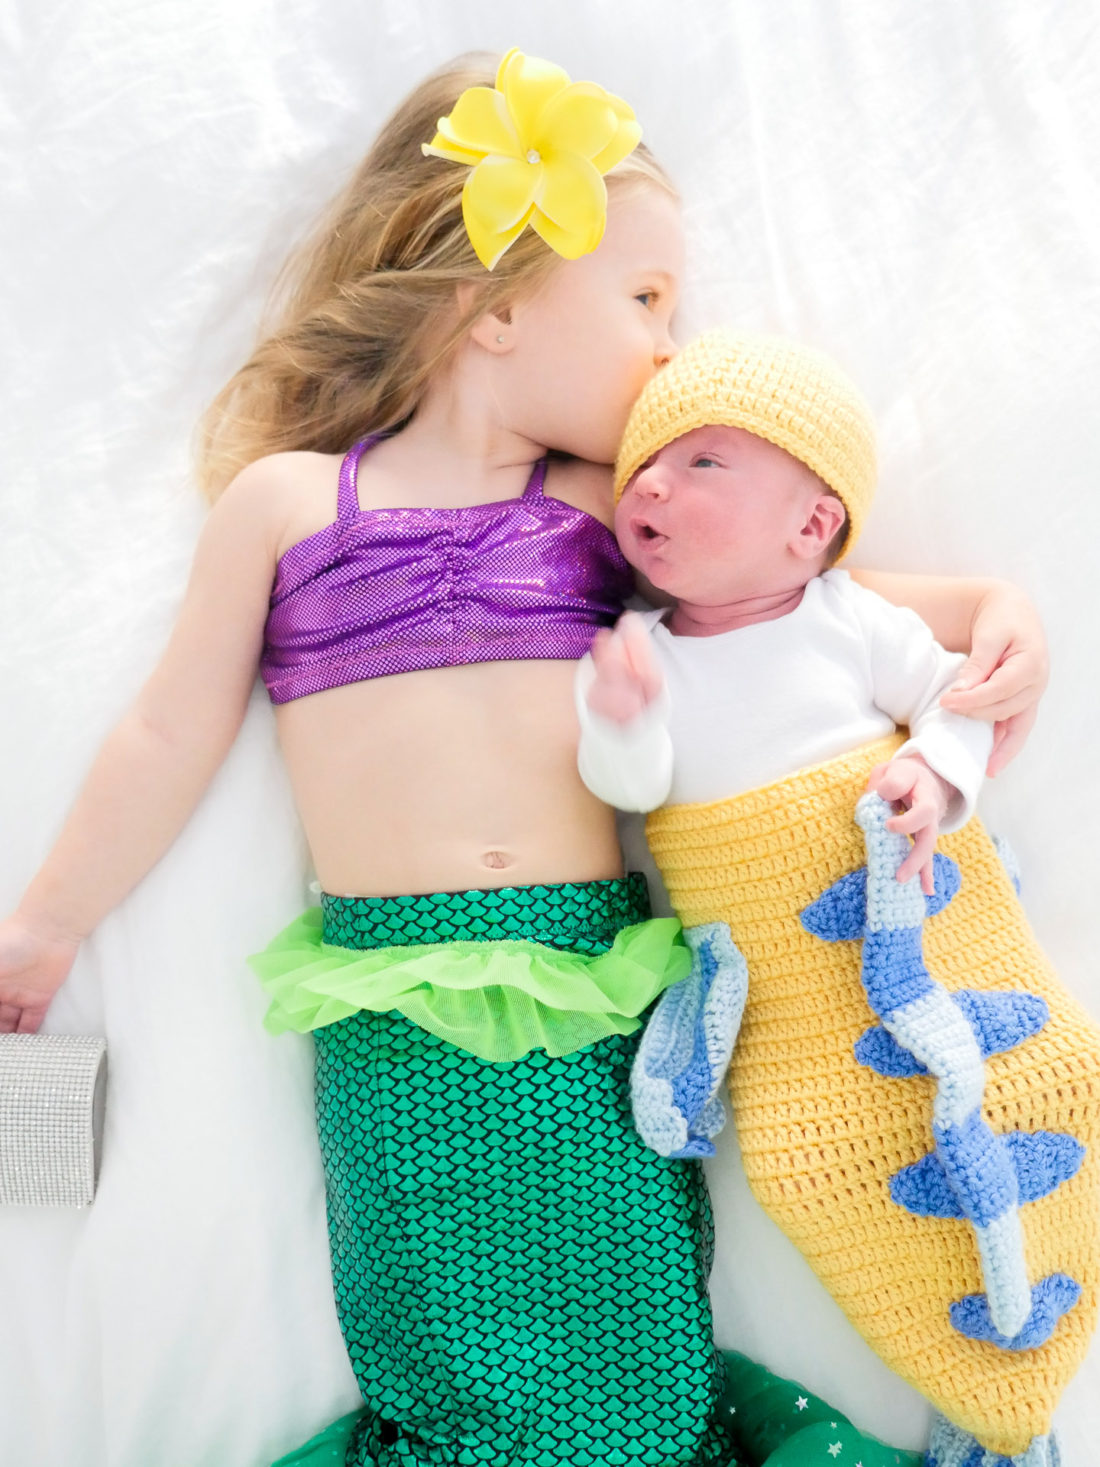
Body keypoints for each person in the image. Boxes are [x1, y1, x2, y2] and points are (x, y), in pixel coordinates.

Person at [0, 52, 1050, 1467]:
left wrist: (998, 615)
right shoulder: (291, 503)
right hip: (390, 986)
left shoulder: (608, 510)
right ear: (492, 307)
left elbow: (813, 595)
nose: (674, 350)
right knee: (442, 1316)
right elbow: (168, 728)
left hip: (590, 975)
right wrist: (50, 921)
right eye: (644, 301)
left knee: (632, 1339)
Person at [576, 329, 1100, 1466]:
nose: (651, 486)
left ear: (808, 528)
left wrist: (937, 771)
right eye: (641, 472)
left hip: (937, 929)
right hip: (793, 1004)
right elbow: (633, 788)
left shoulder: (847, 616)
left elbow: (956, 702)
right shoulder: (637, 652)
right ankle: (963, 1383)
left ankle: (1025, 1364)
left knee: (1053, 1072)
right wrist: (616, 719)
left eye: (702, 464)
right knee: (805, 1165)